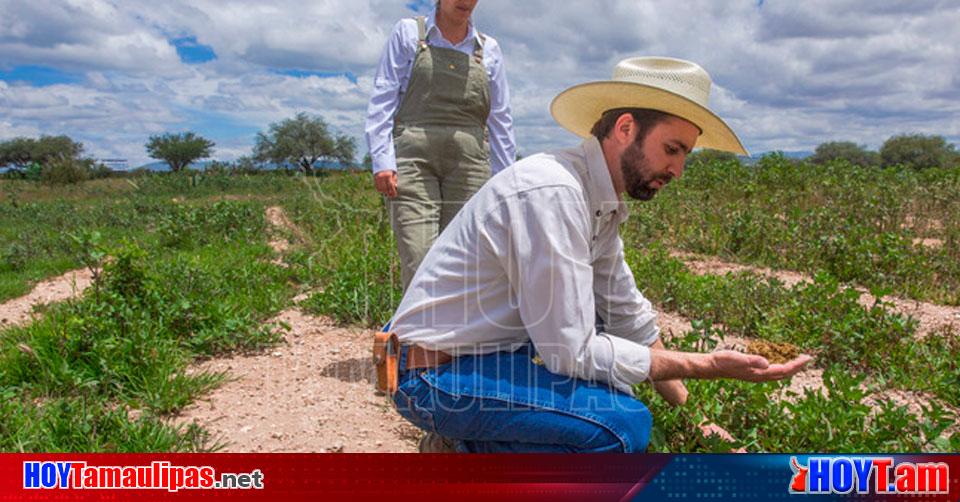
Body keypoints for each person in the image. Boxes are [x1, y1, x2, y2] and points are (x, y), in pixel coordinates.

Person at [380, 56, 813, 453]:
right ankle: (460, 450)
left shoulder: (598, 201)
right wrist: (709, 364)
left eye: (685, 155)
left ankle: (471, 441)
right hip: (429, 377)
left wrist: (693, 418)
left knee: (617, 385)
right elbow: (570, 353)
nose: (678, 171)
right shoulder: (554, 193)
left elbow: (627, 315)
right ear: (625, 129)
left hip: (481, 358)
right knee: (622, 426)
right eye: (672, 149)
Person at [365, 0, 516, 290]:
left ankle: (458, 335)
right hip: (413, 158)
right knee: (418, 255)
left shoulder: (489, 49)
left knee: (465, 258)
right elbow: (384, 95)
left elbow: (500, 118)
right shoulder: (409, 34)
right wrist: (382, 160)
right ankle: (419, 333)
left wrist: (505, 180)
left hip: (470, 164)